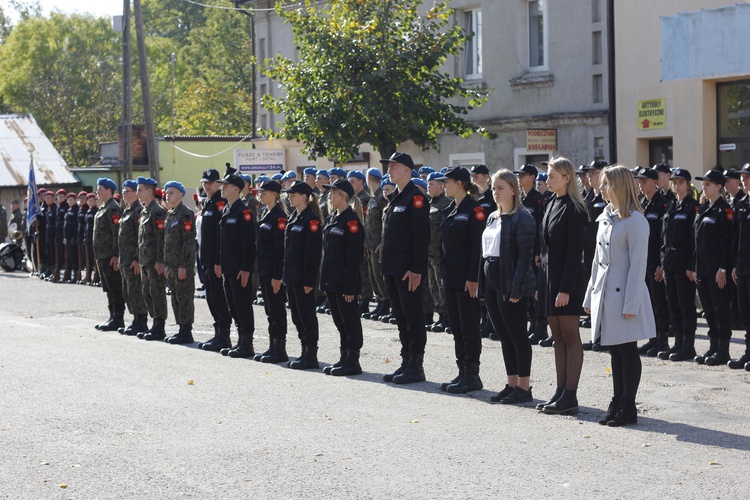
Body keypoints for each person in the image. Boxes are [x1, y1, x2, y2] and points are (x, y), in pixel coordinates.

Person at [583, 165, 654, 427]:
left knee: (627, 351)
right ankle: (617, 400)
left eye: (605, 184)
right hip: (606, 294)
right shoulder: (605, 217)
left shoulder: (636, 221)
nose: (600, 188)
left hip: (625, 294)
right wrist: (590, 296)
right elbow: (596, 261)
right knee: (614, 350)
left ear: (618, 186)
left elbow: (638, 267)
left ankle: (628, 405)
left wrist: (632, 304)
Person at [479, 169, 536, 402]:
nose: (495, 192)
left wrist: (515, 289)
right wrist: (483, 287)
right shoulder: (493, 217)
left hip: (511, 284)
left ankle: (524, 387)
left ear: (513, 190)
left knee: (517, 335)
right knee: (503, 334)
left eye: (500, 188)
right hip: (493, 282)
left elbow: (525, 257)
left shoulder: (523, 217)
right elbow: (484, 255)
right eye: (493, 188)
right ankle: (511, 383)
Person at [537, 157, 588, 415]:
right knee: (557, 338)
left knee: (570, 336)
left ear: (567, 178)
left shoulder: (575, 207)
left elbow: (573, 253)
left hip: (567, 281)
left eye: (552, 176)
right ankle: (560, 391)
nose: (547, 180)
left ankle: (571, 395)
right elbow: (545, 249)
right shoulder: (552, 202)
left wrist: (566, 288)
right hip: (549, 279)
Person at [380, 152, 431, 384]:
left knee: (413, 317)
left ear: (407, 170)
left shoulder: (415, 198)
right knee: (400, 317)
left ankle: (416, 366)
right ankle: (406, 361)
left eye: (394, 166)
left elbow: (421, 237)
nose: (389, 170)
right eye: (388, 166)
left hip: (408, 271)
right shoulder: (396, 198)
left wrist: (416, 269)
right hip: (392, 268)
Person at [436, 167, 486, 393]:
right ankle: (462, 371)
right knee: (456, 326)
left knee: (469, 327)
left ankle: (472, 375)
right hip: (452, 277)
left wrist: (473, 278)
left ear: (459, 183)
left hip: (467, 280)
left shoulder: (474, 210)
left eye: (447, 181)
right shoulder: (450, 209)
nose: (444, 185)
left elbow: (477, 247)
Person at [320, 179, 366, 376]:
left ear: (344, 196)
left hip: (344, 282)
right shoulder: (333, 219)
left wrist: (350, 287)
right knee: (339, 321)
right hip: (332, 280)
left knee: (350, 321)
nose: (330, 195)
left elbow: (353, 259)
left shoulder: (352, 222)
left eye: (334, 192)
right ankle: (343, 357)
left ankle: (353, 361)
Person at [692, 169, 734, 365]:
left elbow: (727, 243)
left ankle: (723, 350)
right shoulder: (704, 209)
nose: (704, 186)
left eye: (708, 184)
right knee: (708, 309)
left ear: (719, 187)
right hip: (703, 269)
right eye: (704, 183)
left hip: (717, 270)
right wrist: (694, 267)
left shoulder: (724, 210)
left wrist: (723, 269)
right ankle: (713, 347)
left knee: (720, 309)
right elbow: (697, 241)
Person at [657, 168, 699, 361]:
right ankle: (678, 343)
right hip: (670, 264)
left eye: (681, 182)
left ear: (688, 185)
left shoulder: (693, 207)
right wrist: (662, 262)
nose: (676, 185)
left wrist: (691, 266)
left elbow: (693, 240)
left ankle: (688, 346)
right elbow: (664, 238)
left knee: (686, 306)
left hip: (684, 265)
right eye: (674, 182)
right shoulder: (671, 205)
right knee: (673, 305)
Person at [215, 173, 257, 358]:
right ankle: (240, 342)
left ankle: (247, 344)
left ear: (235, 189)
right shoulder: (227, 209)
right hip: (228, 267)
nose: (222, 188)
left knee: (242, 305)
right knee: (233, 305)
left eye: (226, 185)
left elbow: (249, 243)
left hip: (240, 268)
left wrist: (246, 268)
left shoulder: (243, 211)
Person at [282, 181, 323, 369]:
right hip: (291, 275)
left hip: (303, 277)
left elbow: (312, 253)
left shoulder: (311, 220)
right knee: (297, 316)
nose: (290, 197)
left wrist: (309, 280)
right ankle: (303, 350)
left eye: (293, 195)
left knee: (306, 315)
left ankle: (310, 353)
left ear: (304, 197)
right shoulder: (293, 218)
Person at [634, 167, 671, 356]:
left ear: (654, 182)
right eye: (639, 182)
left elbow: (663, 237)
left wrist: (661, 264)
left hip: (656, 261)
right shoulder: (641, 203)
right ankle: (652, 339)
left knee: (659, 302)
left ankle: (662, 340)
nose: (641, 185)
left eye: (644, 181)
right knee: (647, 304)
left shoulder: (663, 204)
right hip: (643, 261)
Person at [196, 169, 233, 352]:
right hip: (206, 259)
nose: (206, 185)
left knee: (218, 297)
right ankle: (218, 333)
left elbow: (221, 235)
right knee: (211, 297)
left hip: (215, 260)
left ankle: (224, 335)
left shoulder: (219, 203)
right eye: (204, 182)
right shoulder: (209, 203)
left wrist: (219, 260)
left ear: (218, 183)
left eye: (210, 182)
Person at [254, 180, 289, 363]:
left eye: (264, 192)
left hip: (273, 271)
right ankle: (272, 346)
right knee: (269, 310)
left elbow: (279, 250)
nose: (260, 195)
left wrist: (277, 276)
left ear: (274, 194)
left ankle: (280, 349)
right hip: (264, 269)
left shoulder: (279, 216)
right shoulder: (265, 213)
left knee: (276, 309)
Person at [163, 181, 197, 345]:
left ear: (180, 195)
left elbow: (188, 242)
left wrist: (184, 265)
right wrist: (166, 264)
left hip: (182, 266)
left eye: (172, 193)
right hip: (171, 265)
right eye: (167, 193)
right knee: (175, 298)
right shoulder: (170, 214)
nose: (168, 195)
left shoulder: (186, 214)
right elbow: (167, 243)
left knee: (184, 298)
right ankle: (180, 329)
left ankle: (186, 331)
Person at [135, 177, 169, 341]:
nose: (137, 193)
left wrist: (160, 260)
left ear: (149, 191)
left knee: (157, 293)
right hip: (145, 260)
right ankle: (154, 323)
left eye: (140, 190)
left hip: (154, 262)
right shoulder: (145, 211)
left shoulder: (157, 212)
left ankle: (159, 326)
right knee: (147, 292)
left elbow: (161, 239)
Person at [92, 178, 125, 332]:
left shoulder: (113, 209)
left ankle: (118, 319)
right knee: (108, 288)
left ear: (109, 191)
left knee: (115, 287)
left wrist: (116, 255)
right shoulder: (103, 208)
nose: (97, 193)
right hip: (102, 255)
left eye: (100, 190)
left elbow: (116, 234)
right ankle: (112, 316)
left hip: (110, 256)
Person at [118, 180, 148, 336]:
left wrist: (137, 258)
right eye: (123, 191)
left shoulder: (138, 211)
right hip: (125, 259)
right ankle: (135, 319)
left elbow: (140, 237)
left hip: (133, 260)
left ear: (135, 193)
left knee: (136, 290)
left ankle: (141, 321)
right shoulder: (127, 210)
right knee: (129, 290)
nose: (124, 194)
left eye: (127, 191)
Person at [581, 160, 608, 338]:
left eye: (594, 173)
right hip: (589, 251)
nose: (590, 176)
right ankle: (595, 333)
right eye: (589, 173)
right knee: (593, 292)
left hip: (603, 252)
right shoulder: (589, 197)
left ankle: (602, 334)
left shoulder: (606, 199)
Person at [730, 163, 750, 371]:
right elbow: (736, 238)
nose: (744, 180)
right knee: (745, 313)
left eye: (747, 177)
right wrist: (734, 265)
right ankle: (748, 352)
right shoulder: (742, 203)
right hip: (742, 267)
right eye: (743, 177)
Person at [426, 172, 451, 332]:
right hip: (428, 251)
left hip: (439, 252)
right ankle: (440, 315)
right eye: (428, 184)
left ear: (442, 186)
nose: (428, 186)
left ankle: (447, 316)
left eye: (432, 184)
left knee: (441, 284)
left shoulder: (446, 203)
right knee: (432, 284)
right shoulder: (428, 203)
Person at [84, 193, 99, 286]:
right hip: (88, 237)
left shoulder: (96, 211)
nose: (90, 202)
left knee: (95, 259)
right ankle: (88, 276)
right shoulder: (88, 211)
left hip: (95, 238)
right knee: (88, 258)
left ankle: (96, 277)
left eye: (92, 200)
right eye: (88, 201)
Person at [75, 192, 88, 284]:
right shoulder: (79, 209)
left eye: (84, 198)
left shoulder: (87, 209)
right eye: (80, 198)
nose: (82, 200)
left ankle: (88, 276)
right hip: (79, 234)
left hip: (86, 234)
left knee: (87, 257)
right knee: (80, 256)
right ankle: (79, 275)